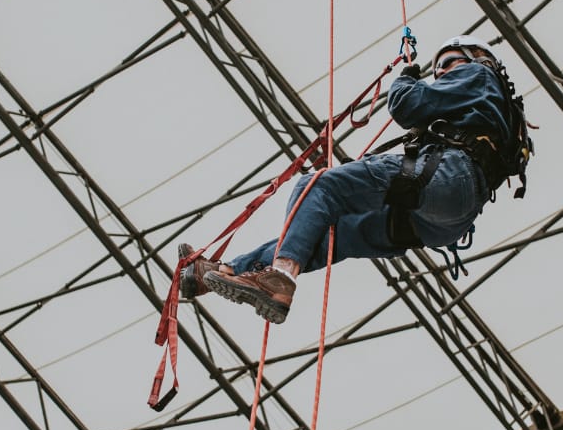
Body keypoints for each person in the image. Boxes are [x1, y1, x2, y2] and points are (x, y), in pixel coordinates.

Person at [178, 35, 531, 324]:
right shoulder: (492, 110)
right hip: (446, 215)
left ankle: (280, 277)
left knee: (316, 186)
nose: (441, 73)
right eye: (438, 68)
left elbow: (406, 105)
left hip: (447, 175)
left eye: (448, 62)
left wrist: (406, 79)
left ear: (479, 58)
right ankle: (222, 272)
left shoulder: (478, 75)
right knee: (330, 234)